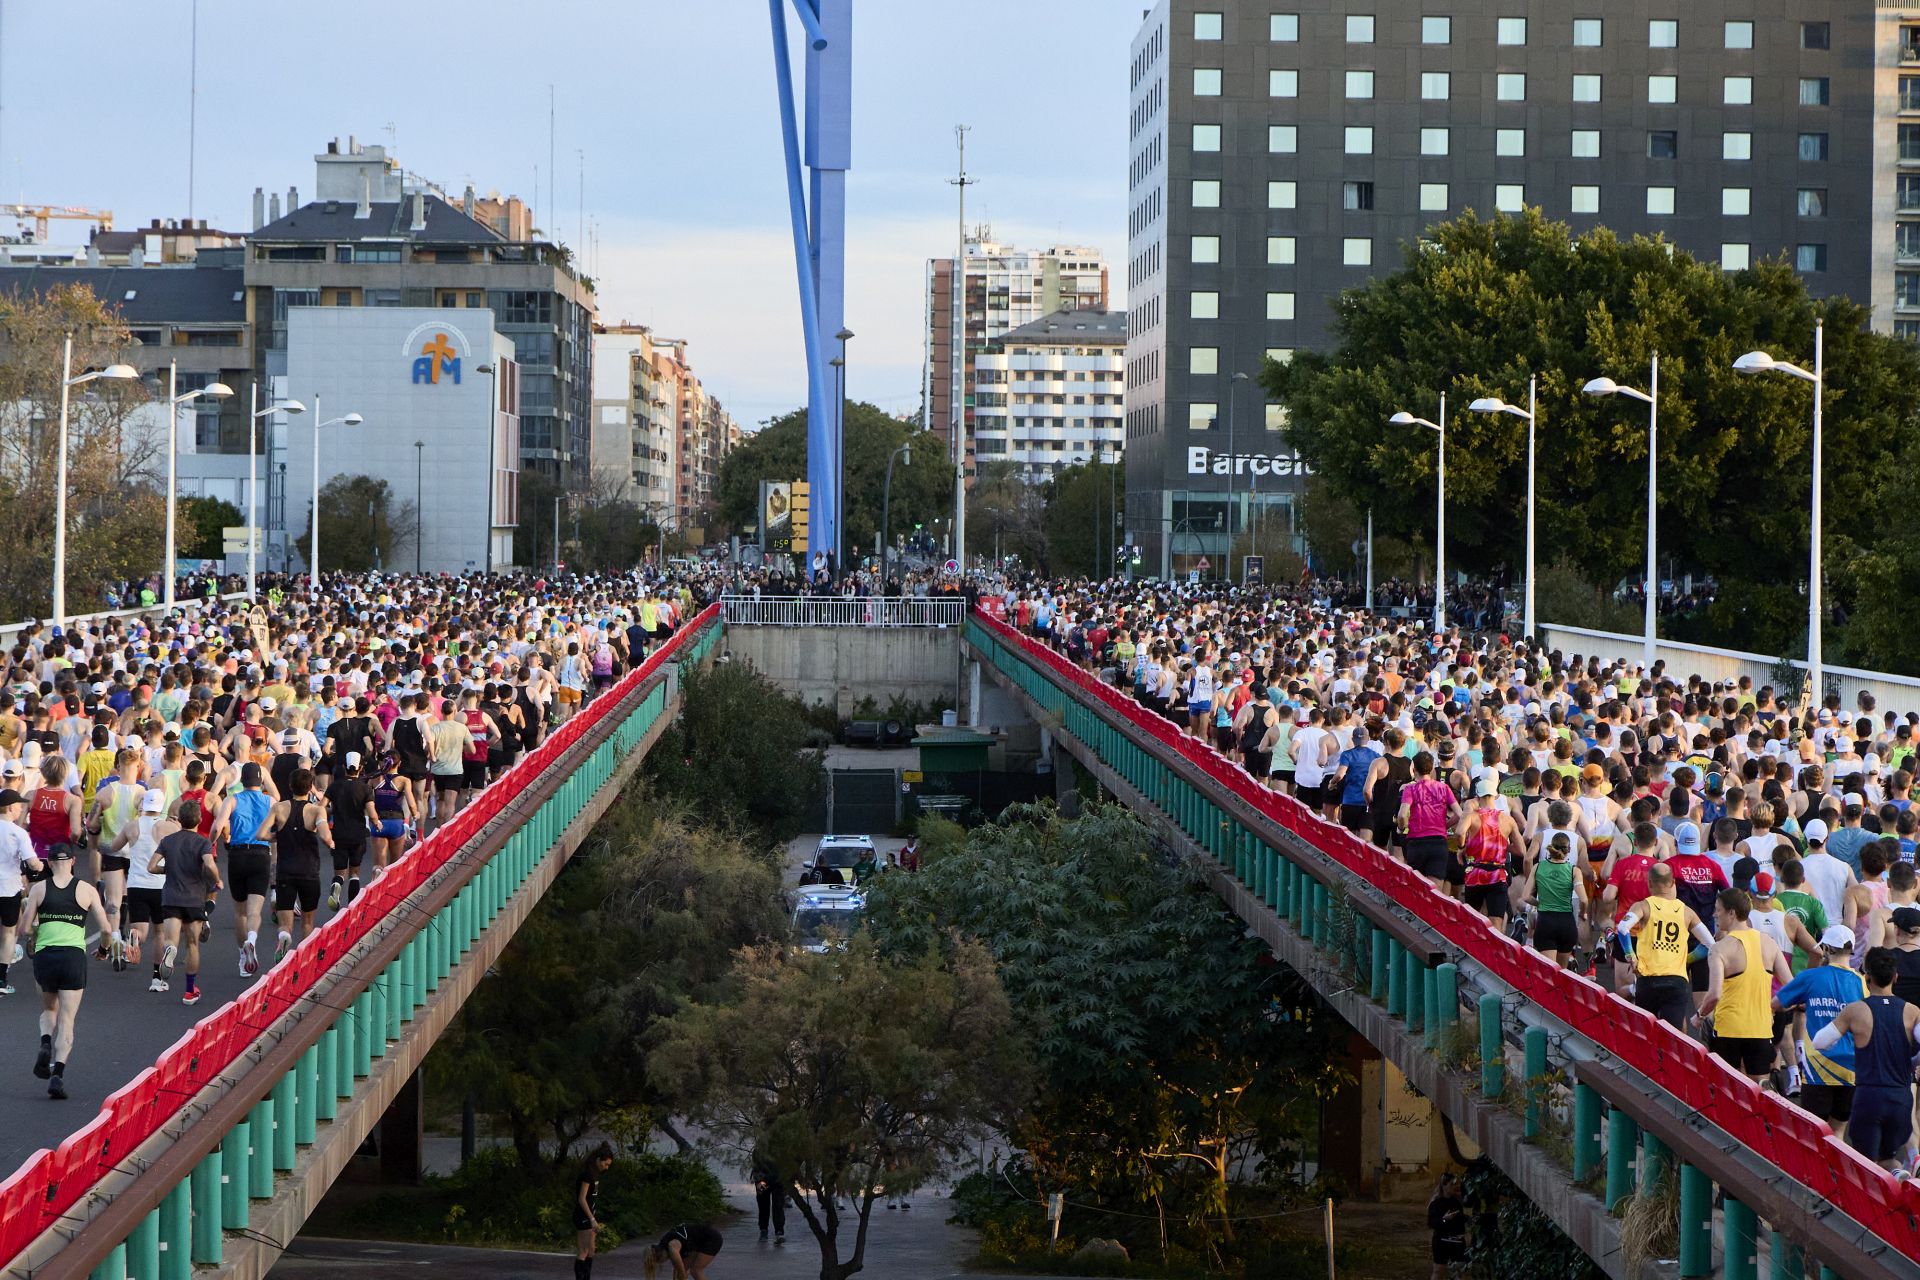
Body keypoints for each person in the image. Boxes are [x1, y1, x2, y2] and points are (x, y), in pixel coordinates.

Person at [1814, 947, 1920, 1172]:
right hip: (1900, 1097)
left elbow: (1820, 1042)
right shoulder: (1913, 1012)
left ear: (1867, 976)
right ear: (1895, 977)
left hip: (1869, 1096)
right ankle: (1897, 1175)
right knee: (1889, 1158)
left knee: (1864, 1166)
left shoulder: (1855, 1011)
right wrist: (1913, 1062)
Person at [20, 842, 112, 1099]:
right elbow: (106, 929)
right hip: (72, 957)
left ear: (49, 863)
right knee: (67, 1019)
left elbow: (24, 929)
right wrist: (103, 951)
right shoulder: (87, 890)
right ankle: (57, 1076)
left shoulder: (39, 889)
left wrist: (39, 930)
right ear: (73, 861)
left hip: (45, 955)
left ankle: (45, 1042)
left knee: (49, 1009)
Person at [1774, 925, 1867, 1141]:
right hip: (1851, 1068)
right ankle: (1834, 1175)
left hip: (1817, 1067)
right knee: (1837, 1133)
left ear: (1826, 948)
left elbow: (1776, 1003)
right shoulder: (1861, 982)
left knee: (1812, 1135)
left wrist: (1801, 1001)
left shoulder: (1810, 977)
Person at [1697, 888, 1794, 1087]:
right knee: (1759, 1087)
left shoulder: (1719, 948)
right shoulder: (1769, 943)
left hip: (1728, 1029)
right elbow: (1792, 988)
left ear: (1731, 913)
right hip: (1760, 1028)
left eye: (1718, 910)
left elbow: (1714, 994)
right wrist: (1773, 1006)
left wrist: (1699, 1015)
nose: (1715, 914)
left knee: (1727, 1088)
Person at [1617, 863, 1716, 1030]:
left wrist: (1630, 954)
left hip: (1648, 979)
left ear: (1649, 883)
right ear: (1672, 884)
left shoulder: (1643, 906)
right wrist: (1687, 958)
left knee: (1646, 1032)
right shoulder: (1686, 912)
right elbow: (1710, 944)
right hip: (1675, 981)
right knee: (1673, 1035)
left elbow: (1622, 928)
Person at [151, 799, 222, 1004]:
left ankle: (169, 952)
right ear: (199, 820)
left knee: (170, 940)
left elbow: (151, 866)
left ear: (179, 820)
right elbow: (209, 864)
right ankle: (190, 991)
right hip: (194, 899)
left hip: (171, 898)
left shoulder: (168, 841)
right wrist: (216, 879)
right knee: (192, 945)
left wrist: (167, 869)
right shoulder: (203, 842)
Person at [214, 762, 275, 977]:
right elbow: (280, 827)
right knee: (254, 911)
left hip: (237, 855)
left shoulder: (232, 799)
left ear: (242, 781)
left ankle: (242, 957)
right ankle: (252, 939)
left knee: (239, 912)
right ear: (260, 781)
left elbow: (218, 826)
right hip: (261, 855)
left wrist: (212, 843)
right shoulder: (270, 801)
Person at [268, 768, 333, 960]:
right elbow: (325, 835)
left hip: (285, 871)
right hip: (309, 871)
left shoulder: (278, 808)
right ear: (310, 787)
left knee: (285, 920)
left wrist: (278, 835)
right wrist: (330, 842)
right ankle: (304, 959)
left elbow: (260, 834)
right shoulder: (316, 810)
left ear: (290, 786)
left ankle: (284, 936)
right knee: (307, 921)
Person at [0, 786, 44, 996]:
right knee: (9, 933)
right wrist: (41, 867)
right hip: (8, 888)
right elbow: (32, 862)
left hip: (8, 886)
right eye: (18, 805)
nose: (20, 809)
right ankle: (1, 978)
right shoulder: (18, 833)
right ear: (9, 808)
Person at [1524, 832, 1589, 968]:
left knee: (1548, 973)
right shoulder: (1574, 871)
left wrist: (1540, 903)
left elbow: (1526, 896)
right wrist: (1583, 913)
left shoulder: (1538, 867)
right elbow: (1583, 900)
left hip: (1546, 922)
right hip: (1567, 923)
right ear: (1569, 851)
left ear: (1550, 847)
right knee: (1561, 973)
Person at [573, 1142, 614, 1280]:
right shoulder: (587, 1175)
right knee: (583, 1251)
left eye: (608, 1165)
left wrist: (595, 1219)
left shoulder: (595, 1175)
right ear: (598, 1160)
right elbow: (582, 1199)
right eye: (605, 1164)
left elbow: (592, 1199)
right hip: (583, 1217)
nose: (606, 1167)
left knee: (591, 1251)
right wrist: (591, 1219)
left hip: (591, 1217)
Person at [645, 1222, 724, 1279]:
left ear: (660, 1253)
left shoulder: (672, 1246)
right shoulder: (665, 1244)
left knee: (696, 1271)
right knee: (680, 1272)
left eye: (659, 1260)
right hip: (696, 1242)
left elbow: (680, 1270)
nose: (664, 1262)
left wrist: (682, 1275)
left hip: (710, 1238)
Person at [1428, 1172, 1468, 1280]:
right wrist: (1445, 1220)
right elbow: (1432, 1223)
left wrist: (1469, 1219)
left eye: (1456, 1184)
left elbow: (1460, 1218)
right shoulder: (1436, 1203)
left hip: (1457, 1240)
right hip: (1442, 1241)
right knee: (1439, 1270)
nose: (1455, 1187)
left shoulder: (1456, 1201)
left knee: (1460, 1271)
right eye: (1452, 1184)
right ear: (1444, 1185)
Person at [751, 1151, 786, 1244]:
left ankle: (779, 1232)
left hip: (778, 1180)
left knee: (778, 1206)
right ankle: (763, 1230)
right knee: (763, 1206)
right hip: (763, 1180)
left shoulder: (782, 1144)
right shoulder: (761, 1145)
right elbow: (756, 1160)